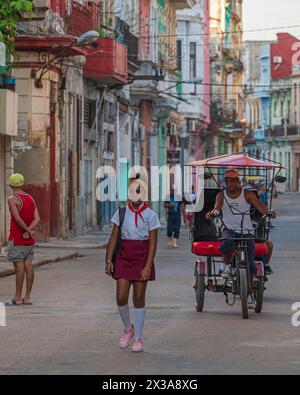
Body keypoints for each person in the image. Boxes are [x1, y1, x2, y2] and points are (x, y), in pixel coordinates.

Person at [105, 177, 161, 352]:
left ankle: (138, 339)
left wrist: (148, 266)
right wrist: (109, 260)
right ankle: (128, 329)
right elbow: (114, 238)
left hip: (142, 257)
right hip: (123, 257)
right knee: (121, 297)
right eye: (132, 192)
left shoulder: (151, 215)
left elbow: (153, 243)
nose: (135, 195)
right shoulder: (121, 213)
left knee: (138, 298)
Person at [206, 169, 276, 307]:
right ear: (225, 182)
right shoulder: (221, 195)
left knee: (250, 262)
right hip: (229, 229)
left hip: (247, 230)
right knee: (226, 244)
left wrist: (268, 213)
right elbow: (217, 208)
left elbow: (259, 205)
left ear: (238, 181)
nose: (230, 183)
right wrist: (213, 213)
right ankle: (227, 267)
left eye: (233, 180)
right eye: (227, 181)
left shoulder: (248, 194)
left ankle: (249, 294)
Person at [6, 174, 40, 306]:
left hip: (17, 238)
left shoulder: (12, 199)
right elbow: (37, 218)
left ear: (11, 185)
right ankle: (27, 297)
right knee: (29, 266)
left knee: (18, 267)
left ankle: (18, 297)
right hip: (29, 239)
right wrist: (30, 230)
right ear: (23, 184)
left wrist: (26, 230)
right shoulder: (30, 198)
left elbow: (17, 218)